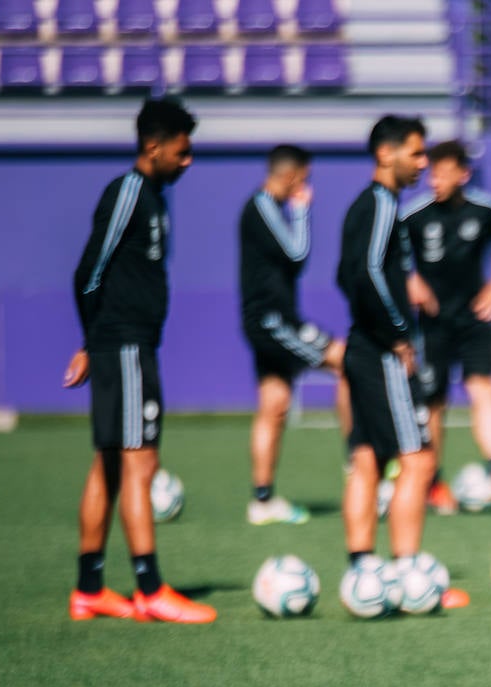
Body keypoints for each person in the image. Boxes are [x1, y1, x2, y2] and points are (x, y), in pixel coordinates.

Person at [63, 98, 216, 624]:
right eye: (183, 150)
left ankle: (89, 589)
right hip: (124, 346)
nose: (188, 160)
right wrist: (92, 341)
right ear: (154, 147)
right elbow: (88, 270)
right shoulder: (128, 192)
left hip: (129, 344)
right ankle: (150, 589)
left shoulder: (153, 196)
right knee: (140, 462)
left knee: (109, 464)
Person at [337, 116, 467, 604]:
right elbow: (367, 272)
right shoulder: (378, 205)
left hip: (361, 346)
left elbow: (346, 274)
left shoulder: (372, 206)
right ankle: (410, 572)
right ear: (385, 154)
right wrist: (396, 333)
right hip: (379, 352)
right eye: (415, 154)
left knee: (368, 459)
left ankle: (363, 570)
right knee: (416, 460)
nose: (422, 163)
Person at [401, 141, 491, 514]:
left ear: (463, 174)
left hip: (475, 318)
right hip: (433, 324)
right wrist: (411, 279)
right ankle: (434, 482)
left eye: (442, 174)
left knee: (483, 386)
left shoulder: (488, 211)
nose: (434, 181)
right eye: (431, 174)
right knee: (435, 403)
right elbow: (392, 255)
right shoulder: (414, 215)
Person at [239, 144, 350, 525]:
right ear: (289, 176)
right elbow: (297, 253)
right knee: (348, 362)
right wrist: (303, 211)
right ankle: (362, 469)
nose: (306, 186)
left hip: (269, 320)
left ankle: (263, 500)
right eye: (303, 179)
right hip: (274, 321)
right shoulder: (264, 207)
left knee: (275, 402)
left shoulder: (265, 209)